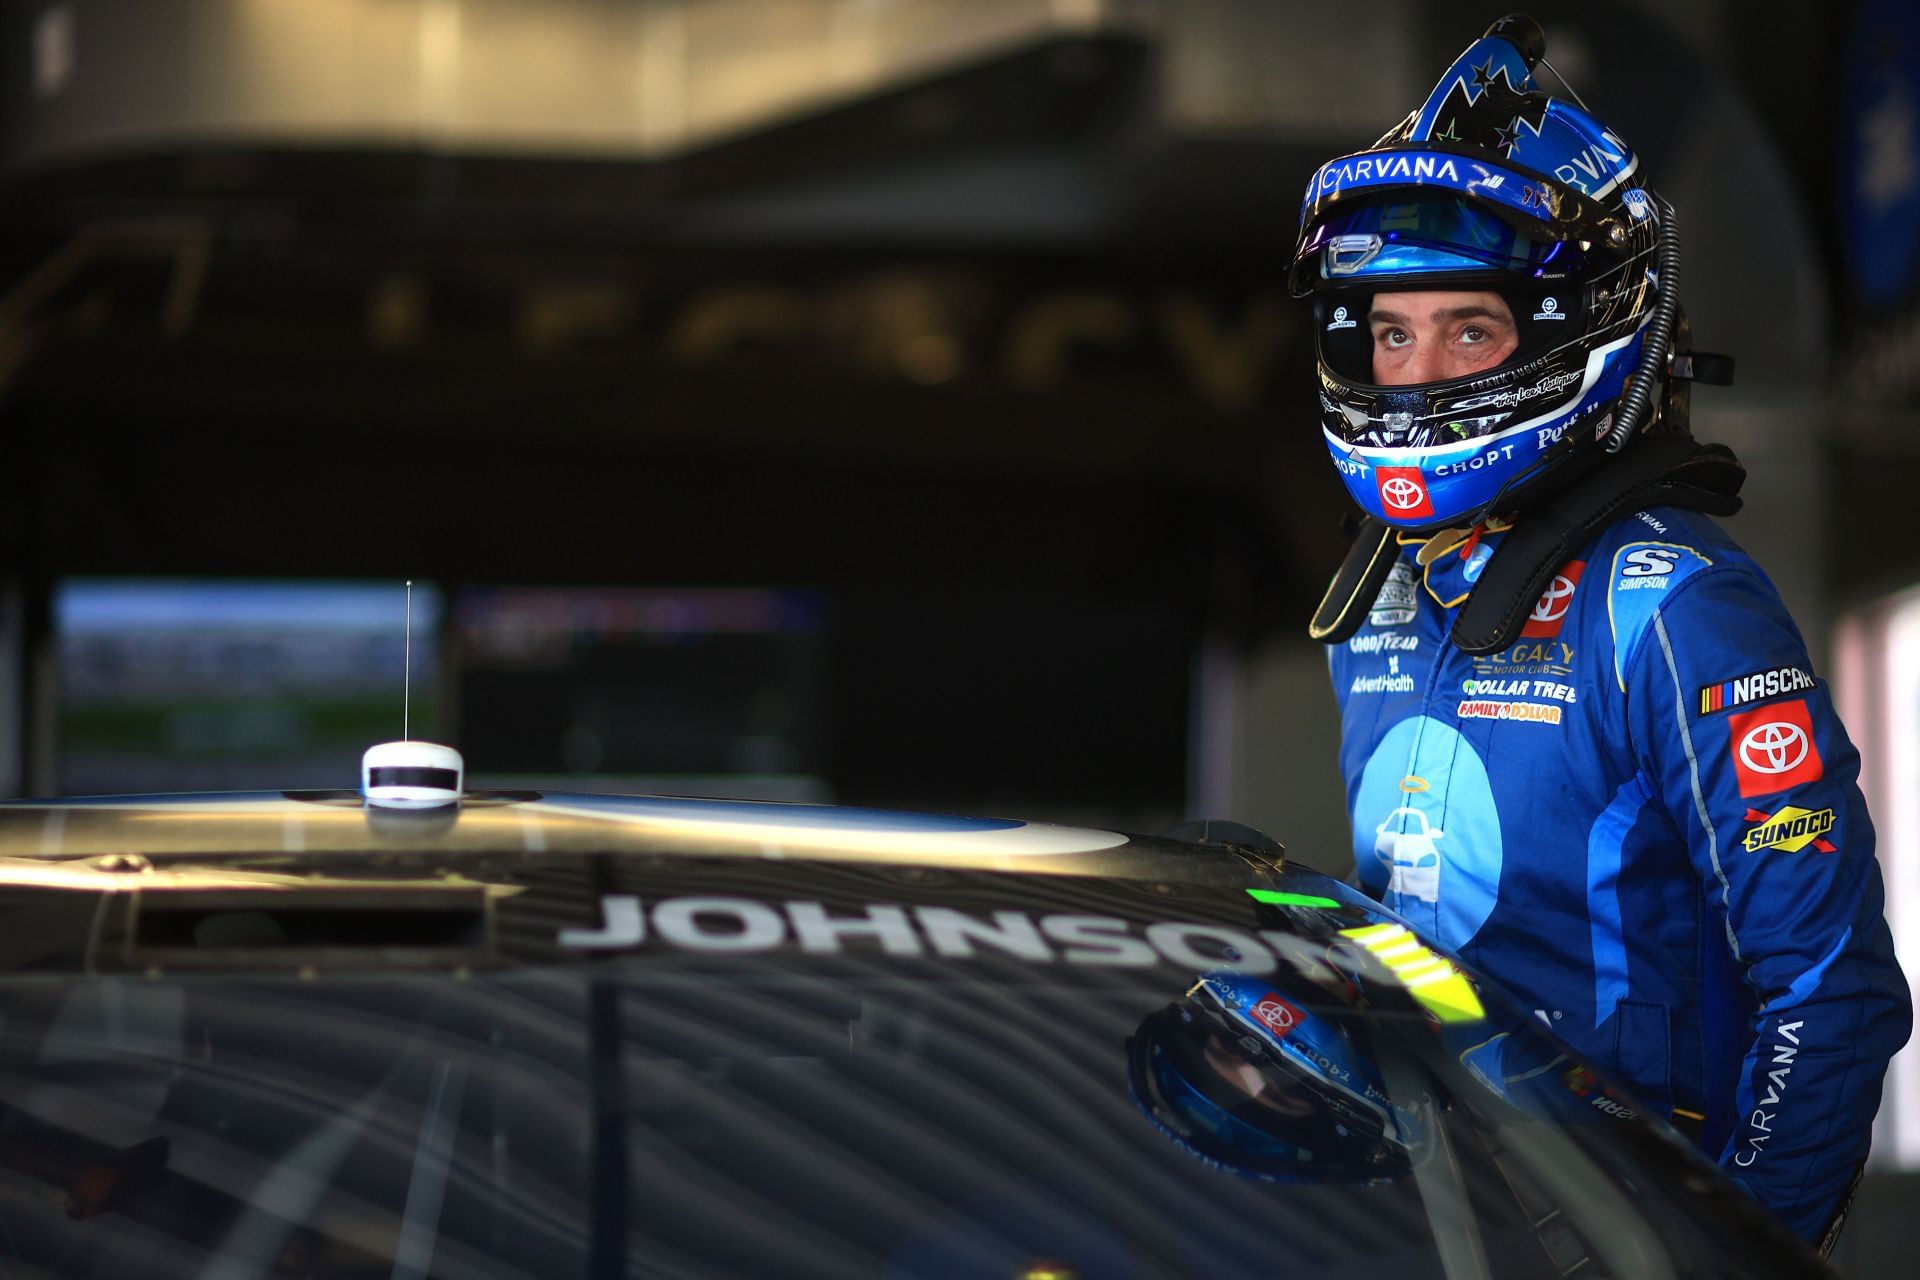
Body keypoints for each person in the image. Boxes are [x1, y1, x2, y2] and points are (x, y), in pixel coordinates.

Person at [1289, 13, 1911, 1253]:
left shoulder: (1673, 608)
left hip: (1620, 1227)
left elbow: (1832, 992)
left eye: (1470, 328)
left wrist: (1728, 1250)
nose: (1415, 376)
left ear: (1578, 326)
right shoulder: (1386, 593)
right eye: (1388, 331)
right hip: (1434, 1221)